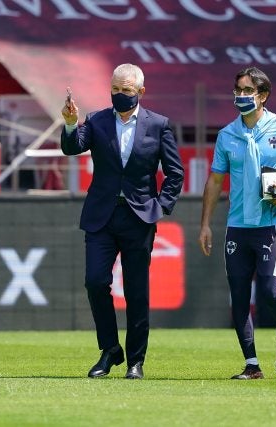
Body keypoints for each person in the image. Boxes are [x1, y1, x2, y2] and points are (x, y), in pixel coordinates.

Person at [61, 63, 184, 379]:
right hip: (101, 216)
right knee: (95, 281)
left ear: (140, 91)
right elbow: (72, 147)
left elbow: (175, 173)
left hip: (139, 218)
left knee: (137, 292)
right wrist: (71, 124)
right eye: (114, 89)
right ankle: (110, 350)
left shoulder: (159, 125)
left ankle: (135, 361)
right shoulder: (97, 120)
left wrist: (160, 207)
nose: (119, 94)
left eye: (125, 90)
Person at [199, 67, 276, 380]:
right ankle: (252, 365)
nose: (240, 96)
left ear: (263, 96)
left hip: (273, 222)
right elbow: (215, 181)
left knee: (270, 291)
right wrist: (206, 224)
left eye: (247, 90)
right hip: (238, 225)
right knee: (238, 297)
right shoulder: (227, 135)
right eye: (237, 90)